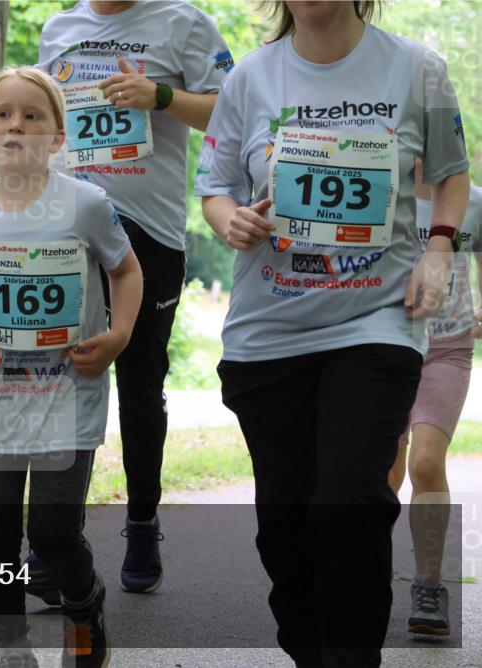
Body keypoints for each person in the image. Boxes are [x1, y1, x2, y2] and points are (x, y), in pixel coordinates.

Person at [194, 1, 469, 665]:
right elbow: (215, 187)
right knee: (285, 528)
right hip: (270, 333)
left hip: (376, 321)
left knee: (348, 500)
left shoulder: (416, 69)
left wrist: (437, 250)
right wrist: (229, 218)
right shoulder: (249, 79)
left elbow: (451, 177)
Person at [0, 66, 141, 668]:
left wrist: (118, 334)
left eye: (32, 115)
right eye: (3, 114)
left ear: (57, 136)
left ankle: (83, 603)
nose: (16, 124)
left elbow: (125, 271)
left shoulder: (87, 205)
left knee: (50, 533)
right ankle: (12, 652)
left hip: (66, 396)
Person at [35, 0, 233, 594]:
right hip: (69, 229)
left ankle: (142, 522)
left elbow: (235, 112)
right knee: (60, 379)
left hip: (151, 234)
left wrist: (161, 97)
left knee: (140, 386)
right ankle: (53, 542)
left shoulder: (184, 22)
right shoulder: (59, 28)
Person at [388, 160, 482, 637]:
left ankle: (428, 584)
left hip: (447, 351)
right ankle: (362, 575)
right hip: (385, 345)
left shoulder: (474, 202)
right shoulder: (384, 194)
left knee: (426, 462)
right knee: (385, 466)